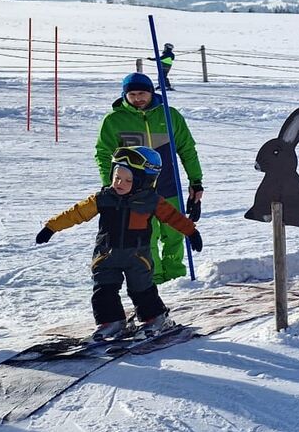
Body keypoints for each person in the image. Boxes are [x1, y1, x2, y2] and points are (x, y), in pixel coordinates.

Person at [36, 146, 203, 340]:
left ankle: (155, 318)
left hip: (137, 257)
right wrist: (51, 227)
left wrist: (191, 232)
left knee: (142, 290)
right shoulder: (103, 198)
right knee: (103, 289)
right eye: (117, 177)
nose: (119, 183)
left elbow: (173, 217)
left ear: (143, 180)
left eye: (128, 180)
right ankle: (111, 322)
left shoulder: (151, 201)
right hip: (105, 255)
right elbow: (76, 213)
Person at [95, 72, 204, 284]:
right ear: (124, 95)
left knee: (174, 234)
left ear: (151, 92)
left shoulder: (170, 116)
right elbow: (102, 153)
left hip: (168, 186)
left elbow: (187, 150)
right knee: (146, 237)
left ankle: (177, 277)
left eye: (142, 93)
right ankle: (154, 279)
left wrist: (196, 180)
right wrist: (110, 184)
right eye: (132, 94)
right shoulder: (113, 121)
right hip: (134, 192)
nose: (138, 98)